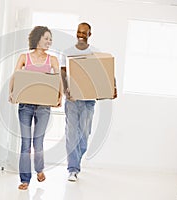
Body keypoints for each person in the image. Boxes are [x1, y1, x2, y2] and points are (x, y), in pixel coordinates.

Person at [61, 22, 117, 182]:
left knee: (84, 134)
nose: (81, 35)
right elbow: (63, 73)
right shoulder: (68, 52)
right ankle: (72, 169)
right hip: (72, 100)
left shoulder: (95, 53)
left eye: (84, 33)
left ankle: (76, 162)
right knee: (72, 133)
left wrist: (113, 87)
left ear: (89, 35)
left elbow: (107, 72)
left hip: (89, 101)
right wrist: (66, 91)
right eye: (79, 32)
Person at [9, 26, 61, 190]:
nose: (49, 42)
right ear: (37, 39)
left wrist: (60, 96)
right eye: (46, 38)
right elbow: (16, 75)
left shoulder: (52, 60)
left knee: (38, 142)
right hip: (25, 105)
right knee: (26, 143)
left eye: (50, 39)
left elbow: (58, 79)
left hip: (44, 106)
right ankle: (25, 179)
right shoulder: (24, 57)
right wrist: (12, 92)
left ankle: (39, 169)